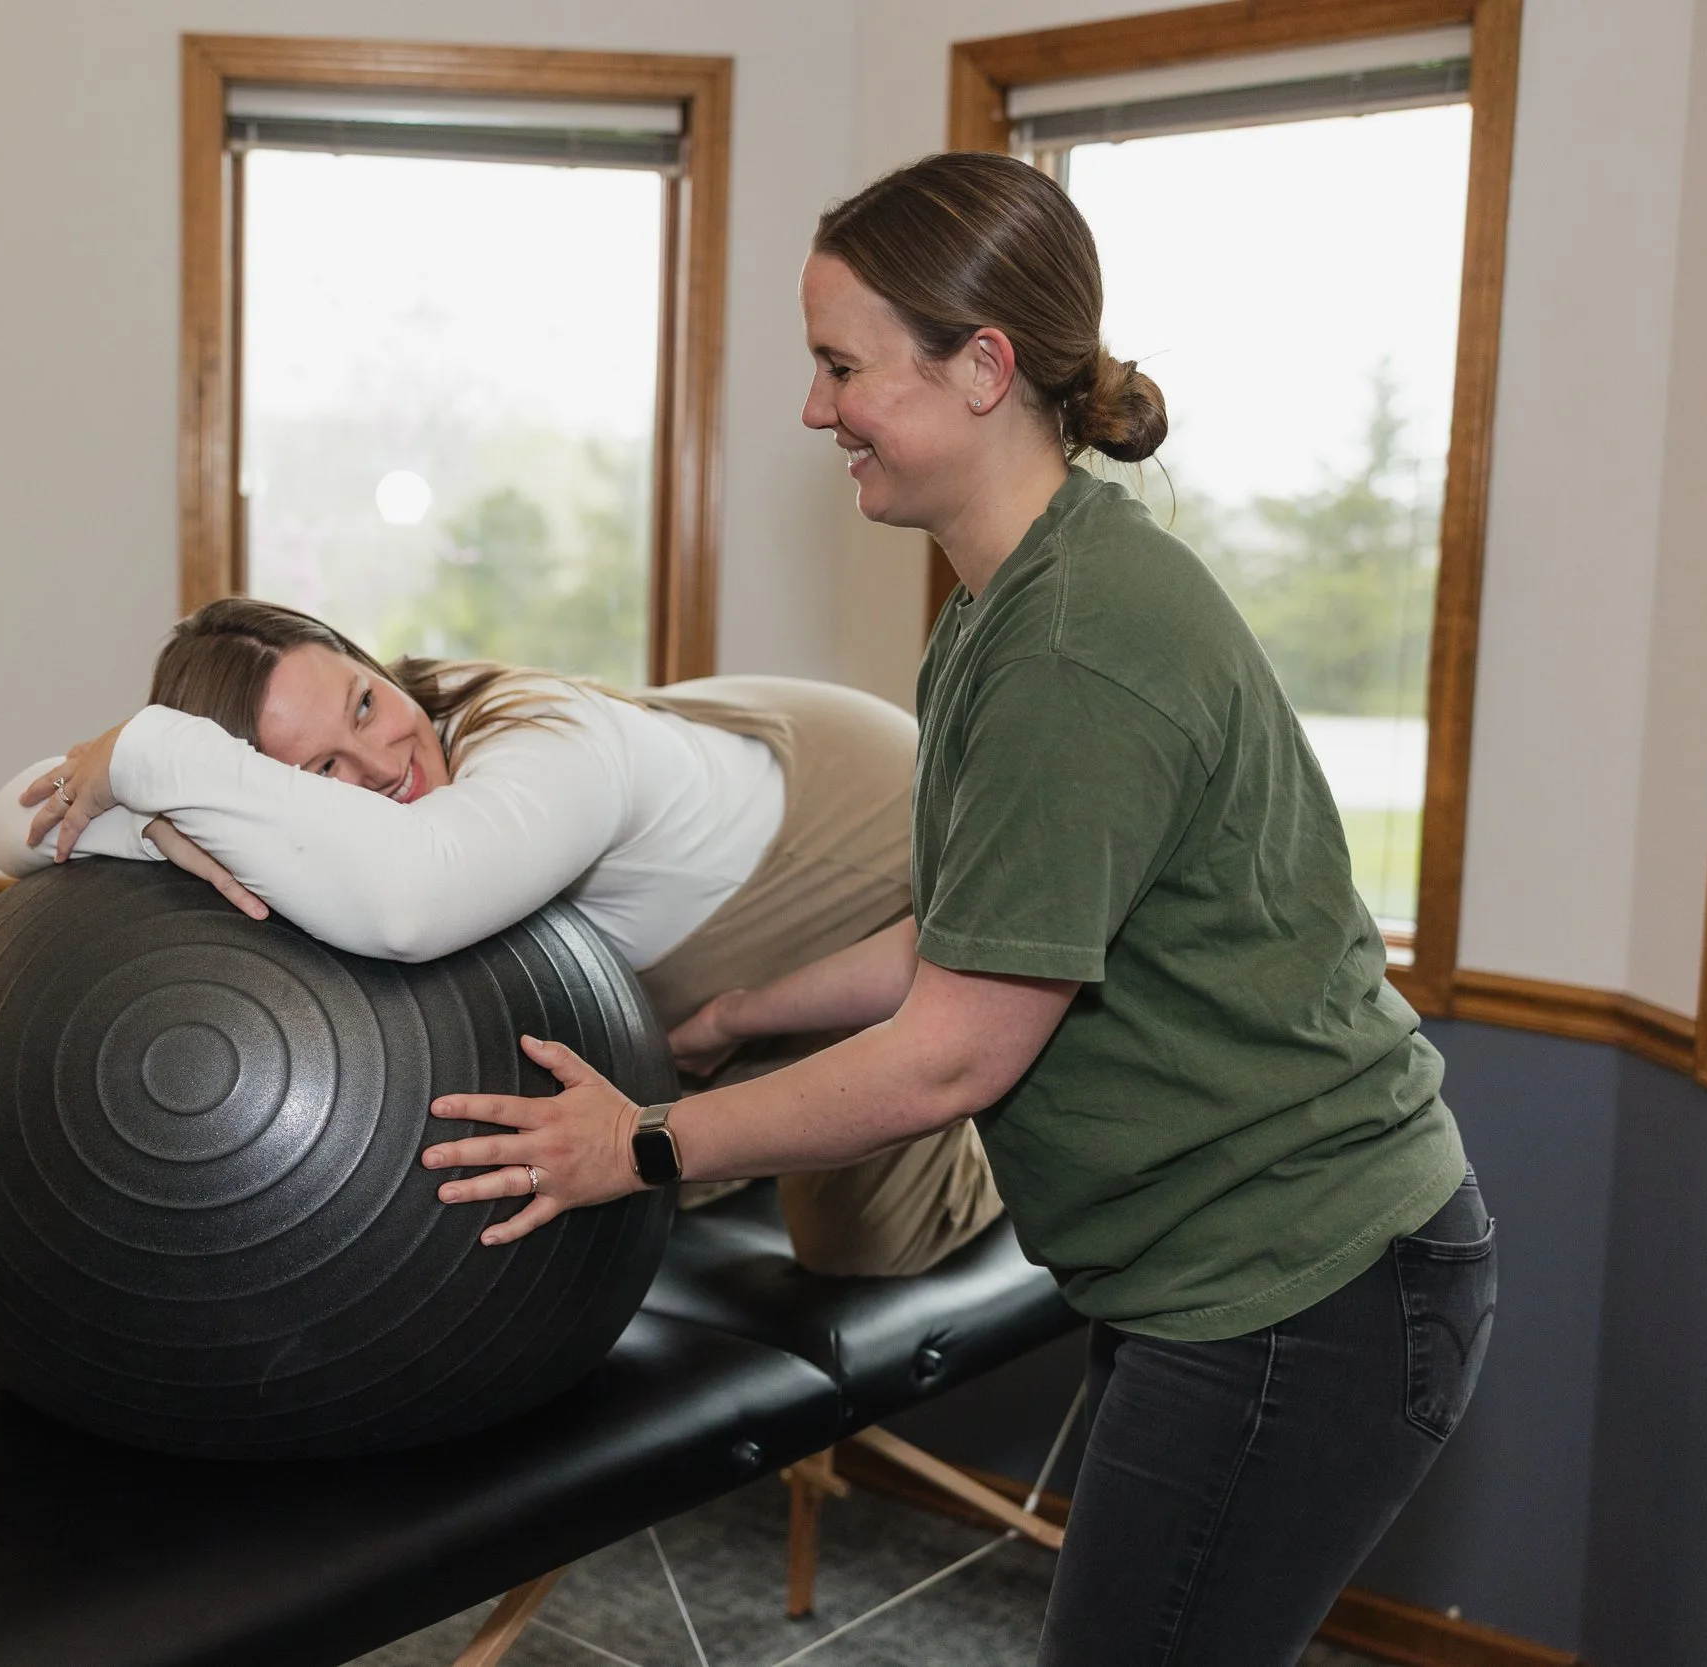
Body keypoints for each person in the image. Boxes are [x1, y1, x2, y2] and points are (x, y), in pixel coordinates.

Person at [410, 152, 1497, 1666]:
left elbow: (951, 1056)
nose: (815, 408)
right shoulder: (1006, 606)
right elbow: (980, 928)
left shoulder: (1070, 648)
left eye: (841, 364)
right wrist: (734, 1014)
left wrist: (639, 1145)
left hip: (1303, 1287)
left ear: (982, 365)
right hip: (1232, 1275)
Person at [0, 596, 1001, 1279]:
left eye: (366, 702)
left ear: (372, 660)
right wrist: (156, 804)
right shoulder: (312, 815)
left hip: (898, 862)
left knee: (867, 1246)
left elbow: (410, 904)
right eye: (315, 769)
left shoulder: (548, 743)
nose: (376, 762)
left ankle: (1030, 1097)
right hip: (714, 978)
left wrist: (152, 754)